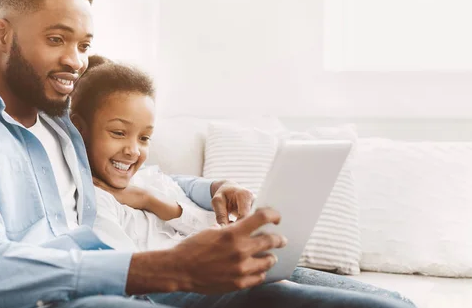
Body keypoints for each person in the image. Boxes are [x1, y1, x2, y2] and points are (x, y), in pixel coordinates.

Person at [0, 0, 415, 307]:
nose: (75, 61)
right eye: (57, 40)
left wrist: (209, 187)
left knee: (380, 305)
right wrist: (162, 267)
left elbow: (137, 180)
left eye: (83, 45)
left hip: (133, 291)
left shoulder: (61, 127)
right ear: (2, 34)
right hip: (65, 300)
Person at [70, 55, 415, 305]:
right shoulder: (93, 200)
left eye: (144, 138)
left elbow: (219, 229)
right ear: (79, 129)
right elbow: (134, 276)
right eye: (118, 133)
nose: (132, 150)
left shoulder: (153, 180)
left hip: (236, 269)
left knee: (396, 298)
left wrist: (160, 205)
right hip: (197, 289)